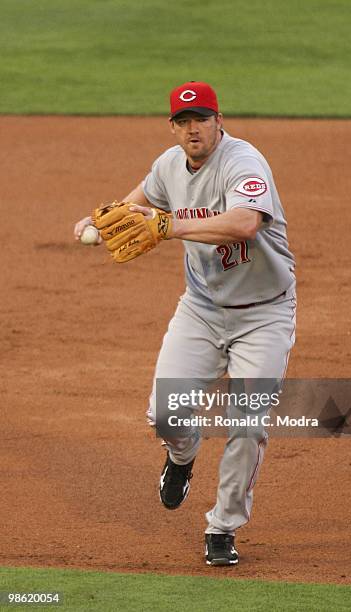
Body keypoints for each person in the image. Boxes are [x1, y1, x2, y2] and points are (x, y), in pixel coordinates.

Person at [74, 81, 296, 566]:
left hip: (264, 315)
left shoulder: (243, 162)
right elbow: (134, 206)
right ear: (172, 126)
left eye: (202, 119)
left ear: (219, 121)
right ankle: (181, 456)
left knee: (247, 423)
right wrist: (99, 220)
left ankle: (223, 527)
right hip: (201, 308)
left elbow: (244, 224)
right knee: (166, 415)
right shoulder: (168, 166)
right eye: (183, 121)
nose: (193, 128)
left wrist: (167, 225)